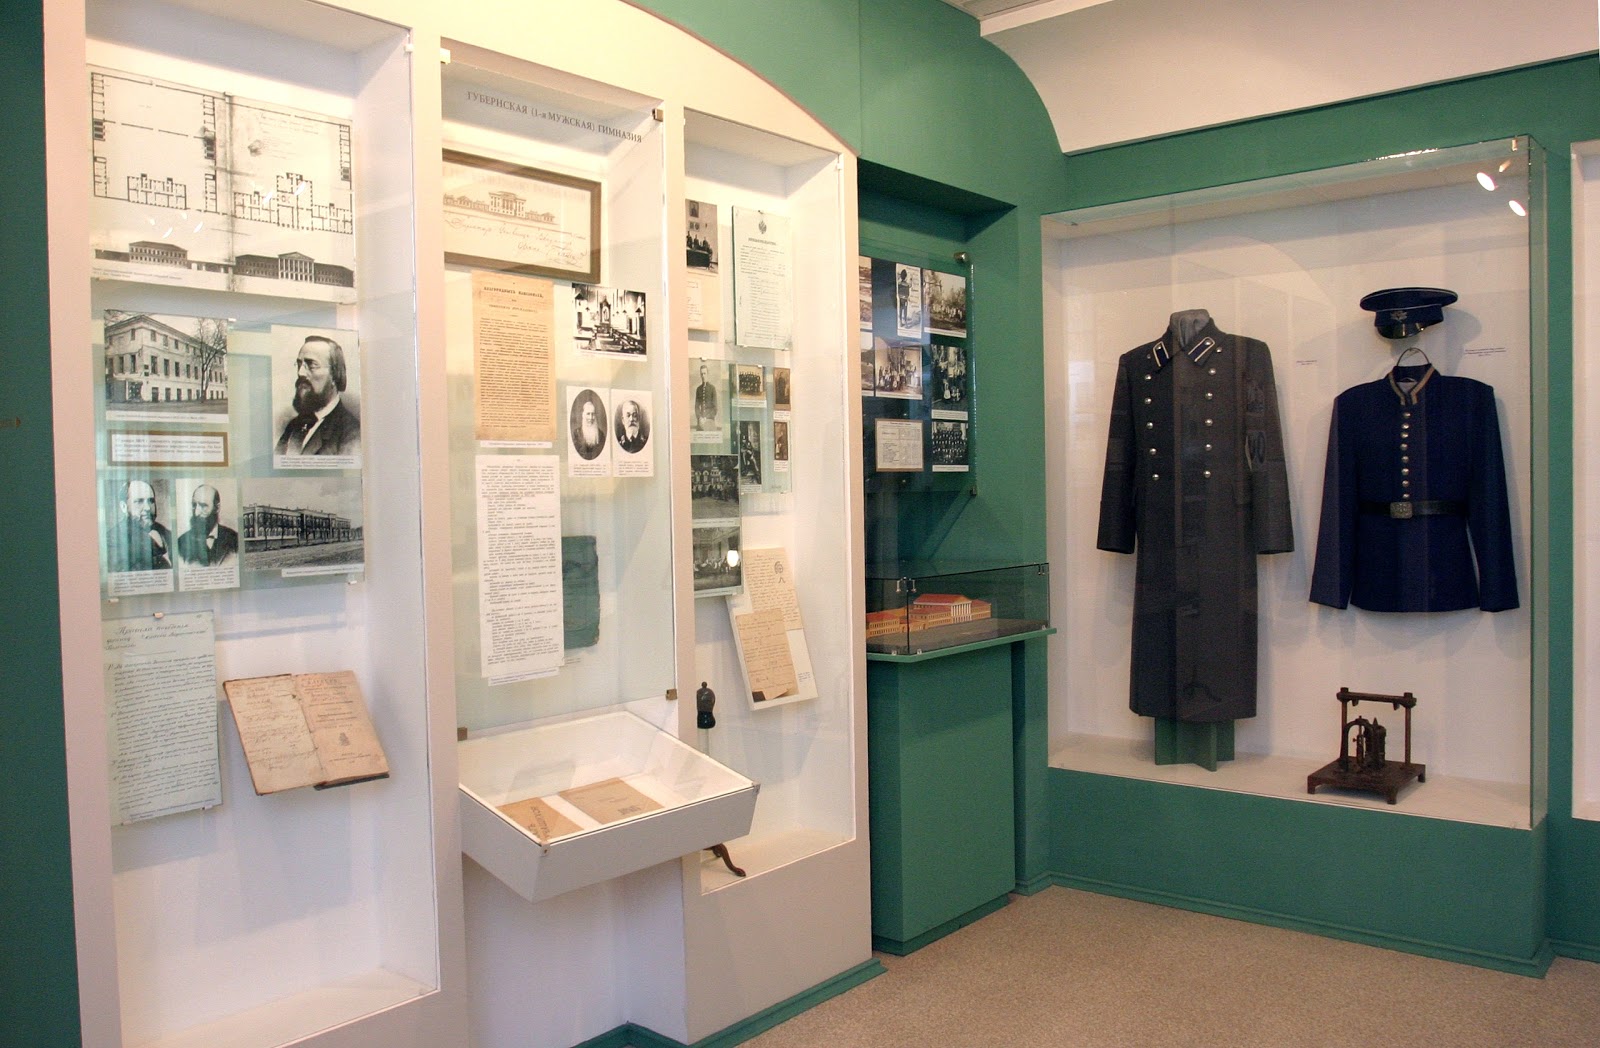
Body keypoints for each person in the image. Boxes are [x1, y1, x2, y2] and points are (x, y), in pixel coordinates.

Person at [275, 335, 360, 457]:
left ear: (334, 375)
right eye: (299, 364)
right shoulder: (294, 426)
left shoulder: (351, 435)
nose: (300, 373)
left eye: (312, 365)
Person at [106, 478, 171, 572]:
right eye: (139, 501)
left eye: (151, 501)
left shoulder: (167, 534)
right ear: (124, 507)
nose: (148, 508)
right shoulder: (112, 540)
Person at [176, 484, 238, 567]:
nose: (196, 512)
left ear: (217, 508)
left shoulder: (234, 539)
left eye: (203, 506)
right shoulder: (181, 543)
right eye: (194, 505)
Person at [571, 393, 606, 459]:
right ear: (583, 415)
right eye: (588, 414)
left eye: (593, 414)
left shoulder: (601, 435)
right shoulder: (576, 434)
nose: (591, 417)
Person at [694, 364, 718, 430]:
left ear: (708, 374)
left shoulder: (712, 388)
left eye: (704, 373)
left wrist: (706, 418)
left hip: (710, 421)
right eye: (701, 374)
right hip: (700, 422)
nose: (703, 376)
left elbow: (715, 408)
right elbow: (696, 407)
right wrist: (700, 418)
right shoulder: (698, 389)